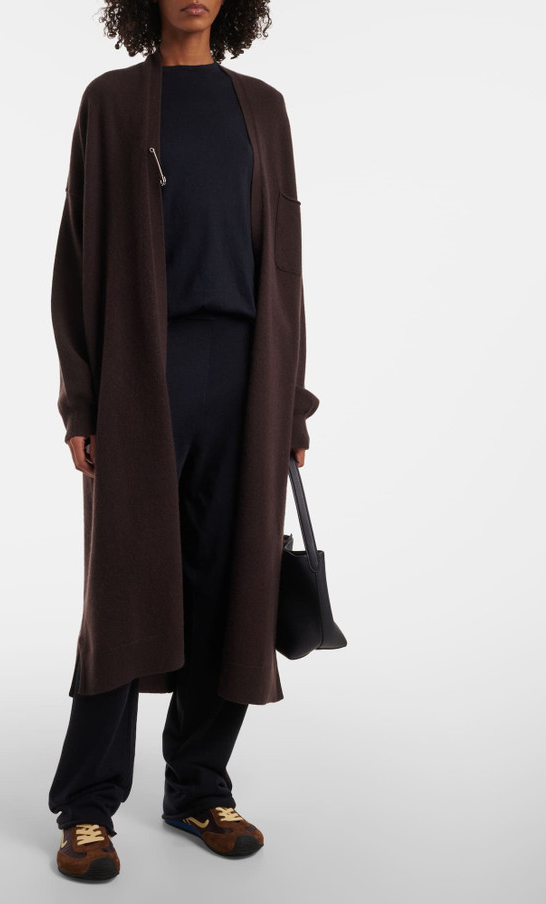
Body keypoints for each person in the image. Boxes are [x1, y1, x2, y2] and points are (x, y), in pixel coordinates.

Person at [47, 0, 320, 882]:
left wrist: (292, 405)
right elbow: (76, 255)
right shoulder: (112, 102)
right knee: (125, 592)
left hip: (245, 377)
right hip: (139, 378)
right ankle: (88, 808)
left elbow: (286, 263)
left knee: (231, 585)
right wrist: (81, 401)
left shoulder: (263, 107)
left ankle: (199, 788)